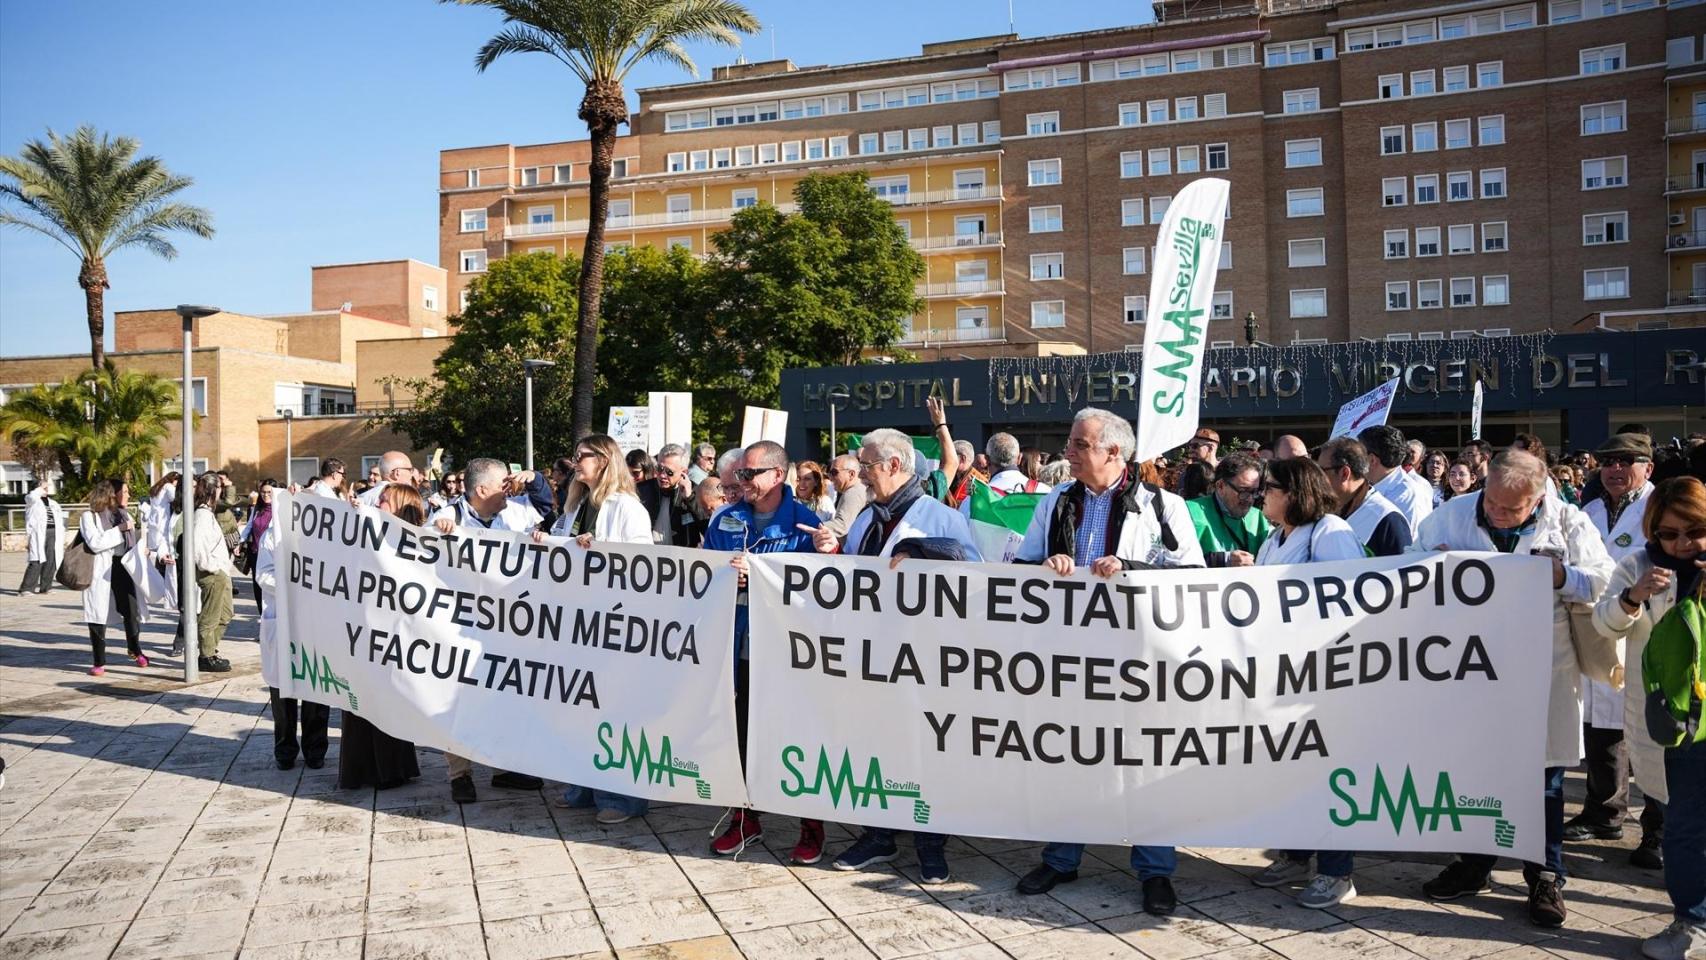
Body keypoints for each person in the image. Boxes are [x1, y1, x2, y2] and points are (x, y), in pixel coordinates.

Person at [1011, 408, 1203, 917]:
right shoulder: (1057, 500)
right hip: (1071, 657)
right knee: (1069, 755)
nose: (1068, 452)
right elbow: (1021, 567)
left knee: (1146, 763)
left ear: (1113, 451)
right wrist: (1046, 565)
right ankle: (1061, 858)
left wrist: (1131, 569)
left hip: (1139, 664)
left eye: (1080, 444)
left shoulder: (1164, 506)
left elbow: (1193, 577)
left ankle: (1155, 870)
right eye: (1071, 442)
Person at [1413, 451, 1614, 928]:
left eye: (1512, 508)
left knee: (1543, 779)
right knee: (1476, 772)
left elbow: (1605, 582)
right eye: (1491, 502)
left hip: (1543, 667)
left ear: (1538, 499)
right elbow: (1409, 564)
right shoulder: (1451, 515)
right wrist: (1430, 567)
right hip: (1470, 669)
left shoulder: (1568, 522)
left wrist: (1562, 576)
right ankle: (1475, 863)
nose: (1498, 513)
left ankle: (1545, 875)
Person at [802, 429, 983, 885]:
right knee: (874, 746)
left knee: (925, 751)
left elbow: (975, 575)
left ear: (894, 466)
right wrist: (832, 551)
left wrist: (922, 549)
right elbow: (854, 579)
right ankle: (878, 834)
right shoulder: (867, 519)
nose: (860, 474)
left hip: (923, 660)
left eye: (866, 466)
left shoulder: (940, 517)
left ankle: (930, 843)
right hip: (871, 657)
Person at [1593, 477, 1706, 960]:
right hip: (1673, 725)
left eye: (1695, 532)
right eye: (1669, 534)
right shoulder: (1637, 565)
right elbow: (1604, 623)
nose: (1682, 544)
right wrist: (1632, 598)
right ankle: (1692, 921)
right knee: (1684, 826)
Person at [1248, 456, 1367, 907]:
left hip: (1321, 676)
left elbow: (1350, 599)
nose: (1262, 496)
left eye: (1270, 488)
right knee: (1291, 771)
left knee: (1326, 773)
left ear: (1295, 493)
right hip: (1281, 675)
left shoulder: (1329, 532)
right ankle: (1295, 855)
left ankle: (1337, 871)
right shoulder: (1274, 537)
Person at [702, 440, 827, 864]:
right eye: (740, 473)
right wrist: (726, 575)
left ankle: (811, 824)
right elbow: (703, 569)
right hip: (738, 646)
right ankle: (744, 819)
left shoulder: (806, 526)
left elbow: (820, 594)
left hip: (788, 653)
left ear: (777, 475)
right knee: (740, 735)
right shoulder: (726, 519)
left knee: (797, 735)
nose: (742, 481)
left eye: (750, 473)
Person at [541, 435, 654, 822]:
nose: (576, 462)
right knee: (580, 707)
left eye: (583, 456)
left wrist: (601, 549)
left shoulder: (627, 507)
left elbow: (642, 563)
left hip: (613, 622)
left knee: (615, 710)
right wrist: (547, 542)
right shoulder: (575, 505)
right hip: (578, 622)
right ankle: (583, 787)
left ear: (604, 460)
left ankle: (622, 798)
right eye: (575, 456)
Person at [430, 457, 552, 803]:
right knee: (459, 701)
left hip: (504, 626)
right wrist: (437, 533)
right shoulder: (447, 518)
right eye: (503, 484)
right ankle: (460, 774)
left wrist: (534, 478)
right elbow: (419, 559)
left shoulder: (512, 512)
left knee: (503, 697)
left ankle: (503, 767)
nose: (509, 490)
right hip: (459, 626)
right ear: (482, 490)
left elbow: (545, 505)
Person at [1574, 434, 1665, 869]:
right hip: (1600, 625)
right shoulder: (1590, 511)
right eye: (1607, 461)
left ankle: (1658, 831)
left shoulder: (1659, 509)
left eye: (1626, 461)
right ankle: (1604, 812)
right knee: (1601, 724)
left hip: (1648, 632)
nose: (1614, 469)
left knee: (1655, 737)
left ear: (1648, 467)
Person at [334, 485, 423, 789]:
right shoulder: (367, 531)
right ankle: (361, 770)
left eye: (384, 500)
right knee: (359, 698)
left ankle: (392, 769)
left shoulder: (414, 540)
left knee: (388, 699)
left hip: (393, 632)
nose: (378, 503)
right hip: (362, 627)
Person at [79, 479, 149, 675]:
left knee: (131, 611)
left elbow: (132, 542)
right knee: (97, 614)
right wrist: (119, 530)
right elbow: (95, 543)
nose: (128, 495)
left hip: (123, 567)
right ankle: (99, 661)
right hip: (101, 570)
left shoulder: (124, 514)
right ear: (112, 494)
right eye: (124, 492)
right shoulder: (89, 517)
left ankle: (135, 650)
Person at [1316, 438, 1413, 557]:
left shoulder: (1388, 520)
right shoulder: (1324, 509)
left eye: (1321, 471)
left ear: (1344, 473)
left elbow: (1403, 566)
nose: (1316, 478)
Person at [188, 473, 238, 674]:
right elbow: (198, 546)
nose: (221, 491)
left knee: (225, 614)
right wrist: (212, 567)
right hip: (212, 573)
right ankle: (206, 656)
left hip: (220, 572)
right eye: (219, 487)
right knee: (210, 616)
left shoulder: (208, 513)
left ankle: (209, 649)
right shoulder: (202, 515)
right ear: (212, 490)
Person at [1186, 452, 1269, 568]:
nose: (1250, 499)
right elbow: (1174, 561)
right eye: (1243, 491)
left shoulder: (1257, 517)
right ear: (1220, 486)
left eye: (1254, 492)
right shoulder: (1189, 512)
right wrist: (1222, 560)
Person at [1358, 425, 1431, 538]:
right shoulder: (1368, 486)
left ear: (1372, 460)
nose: (1354, 459)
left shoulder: (1409, 496)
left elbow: (1409, 543)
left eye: (1358, 454)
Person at [635, 443, 696, 546]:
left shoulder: (695, 491)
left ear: (684, 472)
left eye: (669, 472)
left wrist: (690, 498)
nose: (662, 475)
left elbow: (705, 527)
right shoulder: (642, 489)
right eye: (659, 469)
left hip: (681, 554)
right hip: (646, 552)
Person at [19, 478, 64, 595]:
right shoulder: (31, 500)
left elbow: (60, 519)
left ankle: (46, 587)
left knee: (51, 560)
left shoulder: (53, 503)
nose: (46, 489)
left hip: (53, 533)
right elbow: (32, 496)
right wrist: (39, 488)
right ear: (37, 488)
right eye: (44, 487)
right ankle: (26, 589)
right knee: (36, 560)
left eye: (46, 487)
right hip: (38, 534)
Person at [239, 479, 277, 616]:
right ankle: (262, 617)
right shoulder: (257, 508)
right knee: (257, 586)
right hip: (255, 553)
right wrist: (240, 541)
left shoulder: (279, 509)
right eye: (263, 492)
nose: (265, 495)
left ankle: (272, 619)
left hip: (271, 556)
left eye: (269, 492)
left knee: (269, 587)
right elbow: (249, 525)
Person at [821, 454, 868, 543]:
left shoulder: (853, 493)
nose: (830, 477)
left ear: (851, 474)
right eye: (829, 473)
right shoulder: (856, 490)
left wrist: (811, 526)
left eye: (834, 472)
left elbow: (841, 526)